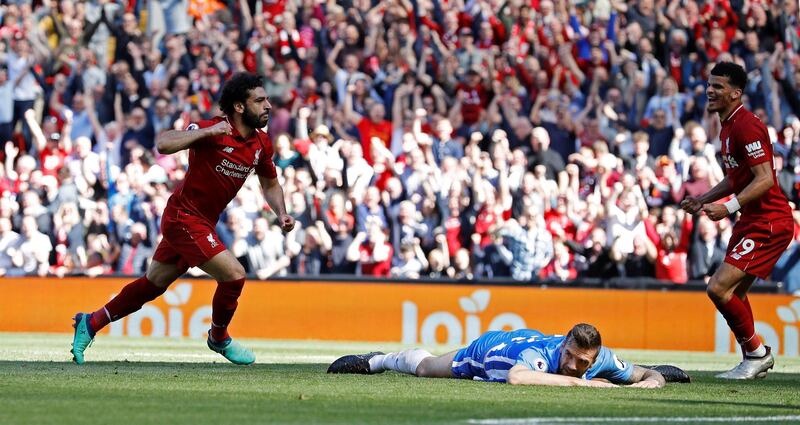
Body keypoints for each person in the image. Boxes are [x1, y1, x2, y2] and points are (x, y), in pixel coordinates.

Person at [70, 73, 295, 365]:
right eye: (260, 100)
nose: (268, 106)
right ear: (239, 107)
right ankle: (218, 337)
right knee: (235, 275)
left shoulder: (262, 143)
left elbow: (270, 184)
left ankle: (91, 322)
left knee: (153, 285)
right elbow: (164, 144)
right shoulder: (211, 128)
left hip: (202, 222)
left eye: (267, 100)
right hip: (183, 218)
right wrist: (204, 134)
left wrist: (281, 212)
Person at [680, 62, 794, 380]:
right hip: (753, 220)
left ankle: (756, 353)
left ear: (736, 93)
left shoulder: (746, 125)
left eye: (718, 86)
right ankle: (753, 357)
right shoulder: (727, 126)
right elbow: (736, 177)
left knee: (718, 288)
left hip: (769, 222)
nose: (710, 90)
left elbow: (765, 179)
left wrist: (728, 208)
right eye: (709, 84)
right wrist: (704, 199)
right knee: (731, 293)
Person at [328, 323, 671, 388]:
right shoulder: (542, 355)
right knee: (427, 369)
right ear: (563, 345)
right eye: (568, 356)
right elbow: (518, 377)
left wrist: (655, 381)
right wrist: (587, 385)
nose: (572, 366)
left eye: (582, 364)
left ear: (594, 360)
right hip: (490, 351)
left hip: (518, 342)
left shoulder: (602, 358)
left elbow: (643, 372)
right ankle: (379, 360)